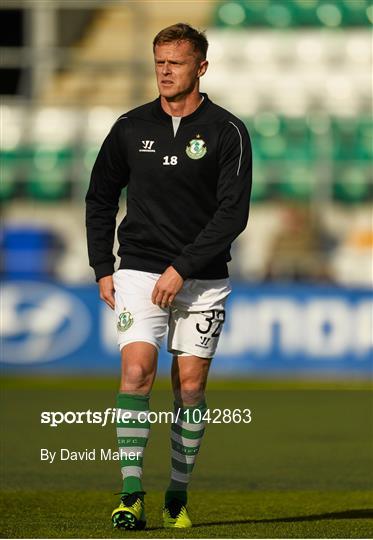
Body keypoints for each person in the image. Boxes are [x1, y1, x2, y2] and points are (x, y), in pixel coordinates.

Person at [85, 22, 252, 530]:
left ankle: (177, 493)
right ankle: (131, 491)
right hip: (137, 267)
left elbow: (232, 214)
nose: (164, 71)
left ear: (201, 67)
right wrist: (102, 266)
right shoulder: (130, 127)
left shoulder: (228, 131)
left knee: (191, 387)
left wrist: (183, 267)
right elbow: (99, 197)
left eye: (175, 63)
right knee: (136, 371)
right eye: (159, 61)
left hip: (202, 278)